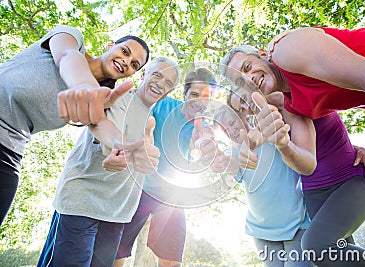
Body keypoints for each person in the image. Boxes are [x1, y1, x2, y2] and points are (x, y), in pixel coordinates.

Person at [0, 25, 150, 226]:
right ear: (110, 45)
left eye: (134, 65)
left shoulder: (102, 101)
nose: (126, 62)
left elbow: (101, 124)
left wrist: (120, 146)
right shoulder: (72, 38)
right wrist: (83, 85)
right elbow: (66, 56)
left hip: (8, 151)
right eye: (124, 51)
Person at [37, 57, 179, 267]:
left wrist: (148, 159)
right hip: (83, 202)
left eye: (168, 83)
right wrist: (119, 150)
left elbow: (146, 155)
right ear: (143, 74)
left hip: (117, 211)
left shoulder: (150, 119)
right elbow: (107, 134)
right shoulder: (117, 98)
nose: (161, 83)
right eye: (157, 75)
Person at [227, 84, 365, 266]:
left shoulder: (299, 94)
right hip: (316, 195)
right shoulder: (267, 123)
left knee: (316, 246)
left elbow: (327, 133)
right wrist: (247, 146)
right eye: (241, 108)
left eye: (243, 99)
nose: (247, 107)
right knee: (339, 258)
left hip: (348, 182)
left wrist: (356, 149)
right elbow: (257, 137)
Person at [114, 68, 217, 267]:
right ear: (184, 94)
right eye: (194, 94)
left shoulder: (203, 126)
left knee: (171, 260)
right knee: (117, 253)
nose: (199, 101)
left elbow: (202, 148)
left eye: (206, 97)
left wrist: (204, 147)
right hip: (139, 189)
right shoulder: (162, 105)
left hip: (171, 197)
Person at [220, 24, 365, 120]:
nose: (249, 79)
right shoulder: (294, 107)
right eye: (242, 82)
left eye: (247, 67)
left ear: (262, 54)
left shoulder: (285, 50)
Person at [213, 104, 311, 267]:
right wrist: (221, 162)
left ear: (245, 116)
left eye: (231, 123)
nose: (230, 131)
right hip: (262, 233)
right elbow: (231, 164)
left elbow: (308, 146)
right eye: (224, 129)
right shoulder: (234, 151)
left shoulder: (272, 134)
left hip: (297, 226)